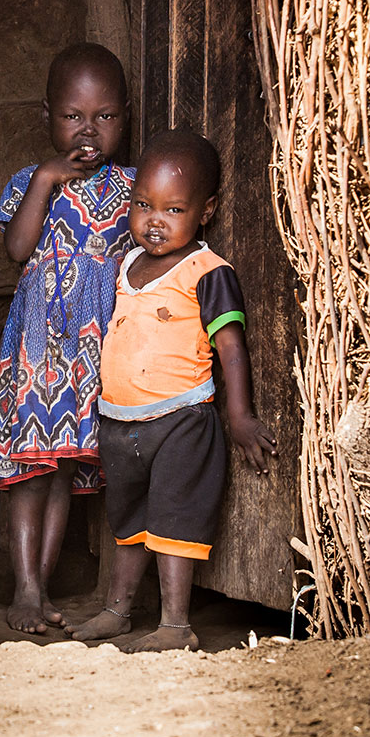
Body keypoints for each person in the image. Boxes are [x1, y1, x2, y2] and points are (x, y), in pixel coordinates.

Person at [65, 129, 277, 652]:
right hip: (119, 422)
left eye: (173, 209)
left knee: (173, 519)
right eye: (143, 204)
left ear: (205, 211)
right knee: (129, 520)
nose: (153, 220)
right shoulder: (127, 265)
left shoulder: (208, 272)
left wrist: (240, 416)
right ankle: (117, 610)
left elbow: (230, 349)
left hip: (182, 420)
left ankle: (176, 625)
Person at [0, 42, 134, 634]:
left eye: (105, 117)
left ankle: (41, 589)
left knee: (64, 474)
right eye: (74, 116)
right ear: (48, 115)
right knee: (30, 472)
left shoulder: (133, 186)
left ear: (124, 116)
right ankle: (26, 586)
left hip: (94, 359)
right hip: (37, 352)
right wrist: (47, 180)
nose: (89, 131)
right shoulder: (30, 182)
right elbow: (17, 249)